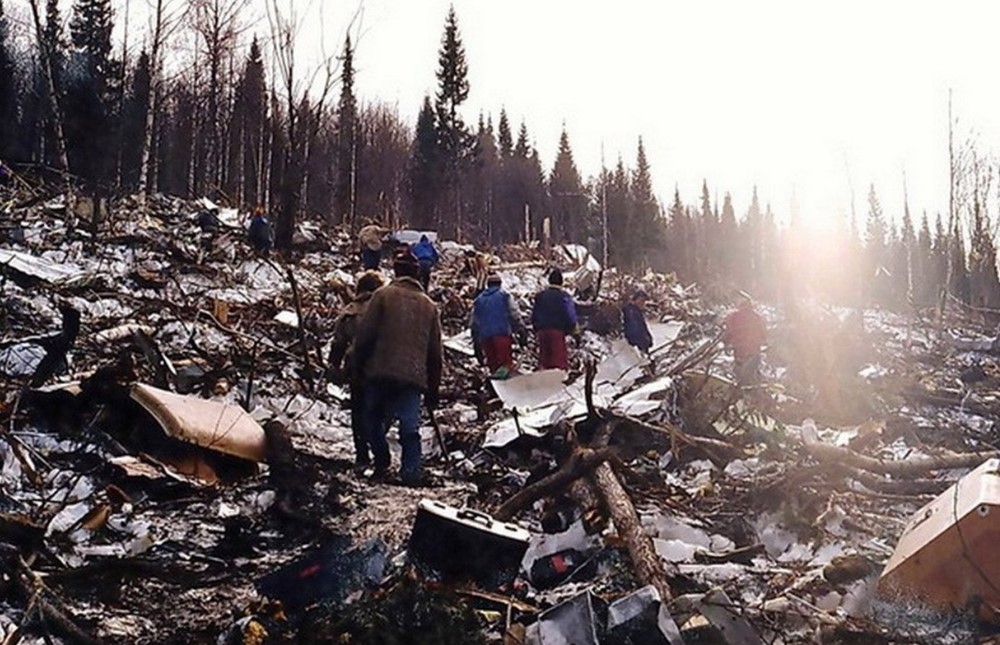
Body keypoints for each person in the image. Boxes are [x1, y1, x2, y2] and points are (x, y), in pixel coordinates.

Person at [353, 252, 443, 486]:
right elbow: (435, 353)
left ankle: (382, 462)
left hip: (380, 370)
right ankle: (411, 471)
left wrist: (357, 366)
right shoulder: (429, 306)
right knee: (409, 426)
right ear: (417, 274)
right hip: (412, 376)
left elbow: (365, 336)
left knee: (372, 419)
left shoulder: (382, 296)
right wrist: (434, 388)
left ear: (395, 271)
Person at [328, 271, 384, 471]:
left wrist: (333, 367)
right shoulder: (384, 308)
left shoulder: (349, 311)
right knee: (379, 411)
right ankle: (380, 453)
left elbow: (338, 344)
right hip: (381, 367)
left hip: (356, 368)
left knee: (358, 412)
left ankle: (362, 455)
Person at [471, 274, 526, 377]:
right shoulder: (504, 295)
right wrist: (521, 329)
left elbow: (474, 322)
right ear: (500, 284)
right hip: (502, 334)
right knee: (505, 365)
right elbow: (514, 313)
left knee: (493, 365)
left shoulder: (479, 300)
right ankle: (505, 387)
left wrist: (476, 342)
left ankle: (495, 387)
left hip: (485, 337)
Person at [531, 269, 578, 371]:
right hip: (557, 332)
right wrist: (574, 329)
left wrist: (536, 327)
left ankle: (544, 382)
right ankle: (557, 383)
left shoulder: (540, 296)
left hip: (542, 332)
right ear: (561, 282)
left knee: (544, 361)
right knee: (558, 363)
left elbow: (534, 314)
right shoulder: (564, 296)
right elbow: (570, 315)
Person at [723, 293, 767, 385]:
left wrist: (726, 345)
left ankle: (739, 393)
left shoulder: (733, 316)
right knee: (753, 377)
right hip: (754, 352)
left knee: (739, 378)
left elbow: (728, 332)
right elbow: (763, 336)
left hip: (740, 352)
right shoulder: (758, 317)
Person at [622, 290, 654, 354]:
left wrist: (649, 338)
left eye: (644, 301)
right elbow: (634, 328)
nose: (642, 303)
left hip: (639, 345)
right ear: (636, 299)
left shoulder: (636, 311)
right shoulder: (630, 311)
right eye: (641, 300)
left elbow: (642, 327)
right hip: (634, 347)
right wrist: (644, 341)